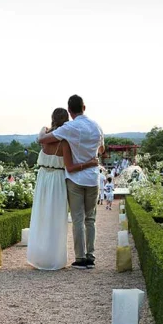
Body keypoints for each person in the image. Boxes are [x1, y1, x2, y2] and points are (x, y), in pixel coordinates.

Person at [37, 96, 104, 269]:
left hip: (75, 178)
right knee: (91, 219)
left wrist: (43, 129)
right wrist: (91, 155)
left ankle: (80, 258)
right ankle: (91, 256)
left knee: (77, 219)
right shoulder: (97, 126)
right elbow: (102, 149)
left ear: (69, 110)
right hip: (92, 177)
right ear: (84, 107)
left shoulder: (69, 127)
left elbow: (44, 139)